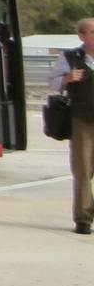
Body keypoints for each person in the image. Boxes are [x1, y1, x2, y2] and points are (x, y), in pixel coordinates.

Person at [49, 18, 94, 234]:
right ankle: (83, 218)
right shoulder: (70, 57)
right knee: (83, 169)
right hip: (81, 119)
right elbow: (52, 81)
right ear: (82, 36)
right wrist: (66, 79)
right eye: (93, 31)